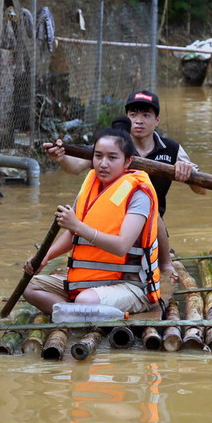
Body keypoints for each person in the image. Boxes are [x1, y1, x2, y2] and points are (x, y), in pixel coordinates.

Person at [42, 89, 205, 277]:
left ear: (157, 120)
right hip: (110, 216)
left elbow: (201, 190)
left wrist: (187, 172)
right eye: (133, 115)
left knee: (152, 211)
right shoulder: (113, 145)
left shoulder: (172, 149)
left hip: (149, 223)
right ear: (127, 117)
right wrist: (61, 158)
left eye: (146, 115)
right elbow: (75, 167)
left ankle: (166, 263)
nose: (139, 120)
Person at [23, 121, 161, 315]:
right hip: (88, 283)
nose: (103, 164)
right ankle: (73, 313)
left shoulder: (138, 193)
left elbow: (121, 246)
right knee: (29, 286)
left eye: (112, 158)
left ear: (127, 161)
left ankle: (74, 313)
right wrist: (46, 256)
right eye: (98, 156)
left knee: (85, 300)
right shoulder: (91, 185)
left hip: (131, 285)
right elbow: (74, 234)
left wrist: (77, 226)